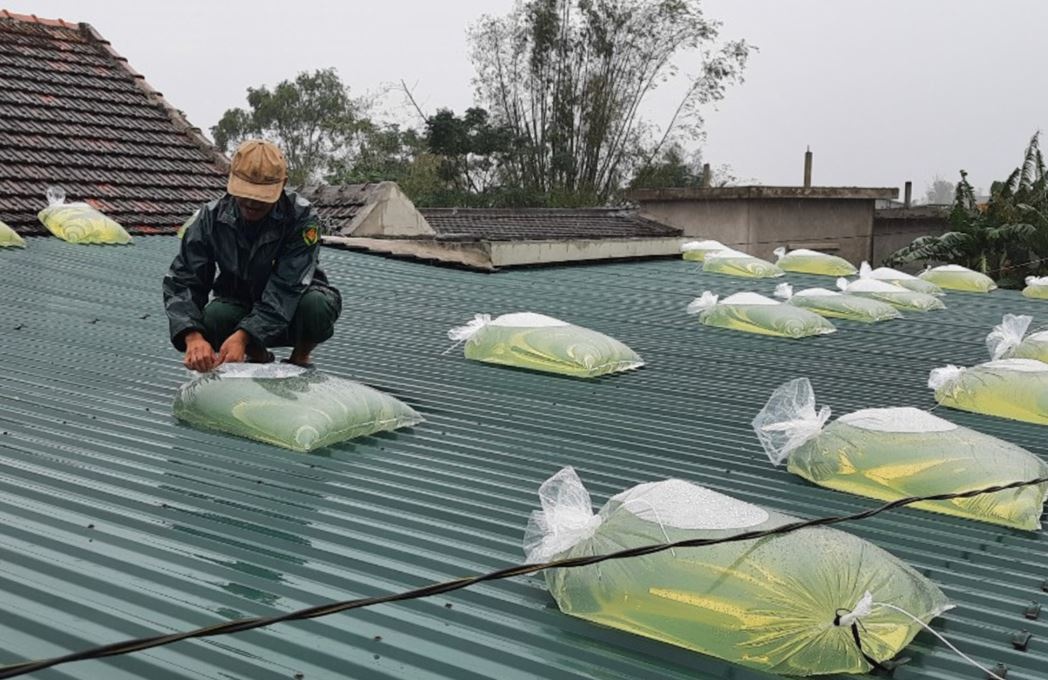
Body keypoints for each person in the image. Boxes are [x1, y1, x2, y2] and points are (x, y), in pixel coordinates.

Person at [163, 139, 342, 372]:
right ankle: (258, 357)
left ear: (282, 185)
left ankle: (300, 359)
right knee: (214, 317)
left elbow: (287, 287)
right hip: (240, 304)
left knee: (316, 306)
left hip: (293, 308)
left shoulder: (302, 218)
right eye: (245, 193)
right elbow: (184, 279)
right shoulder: (210, 218)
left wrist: (244, 335)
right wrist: (193, 336)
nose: (251, 202)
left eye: (261, 196)